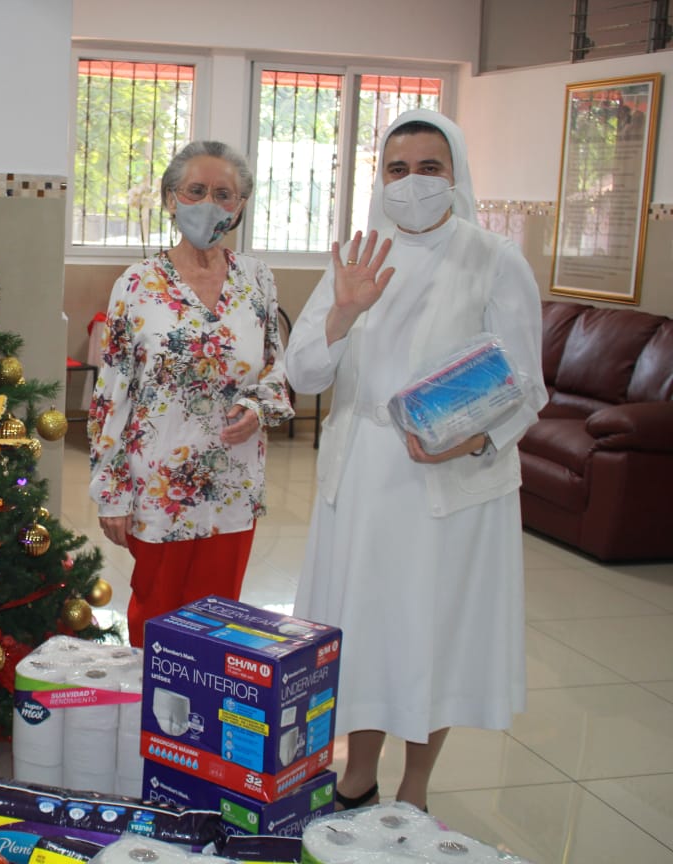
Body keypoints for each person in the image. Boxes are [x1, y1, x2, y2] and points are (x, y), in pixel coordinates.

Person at [286, 109, 548, 812]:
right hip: (365, 475)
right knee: (363, 628)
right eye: (397, 170)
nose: (412, 184)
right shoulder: (358, 254)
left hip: (452, 479)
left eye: (429, 168)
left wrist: (474, 439)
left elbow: (528, 385)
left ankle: (417, 788)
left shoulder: (494, 259)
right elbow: (304, 373)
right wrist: (342, 314)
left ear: (455, 174)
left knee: (436, 629)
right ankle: (357, 774)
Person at [89, 140, 294, 648]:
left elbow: (277, 367)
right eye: (196, 190)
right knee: (157, 613)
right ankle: (152, 724)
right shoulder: (136, 284)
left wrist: (258, 405)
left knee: (221, 620)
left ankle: (206, 721)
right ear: (170, 199)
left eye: (224, 194)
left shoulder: (257, 280)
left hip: (233, 481)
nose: (209, 204)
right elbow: (110, 393)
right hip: (159, 485)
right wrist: (110, 490)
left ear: (241, 204)